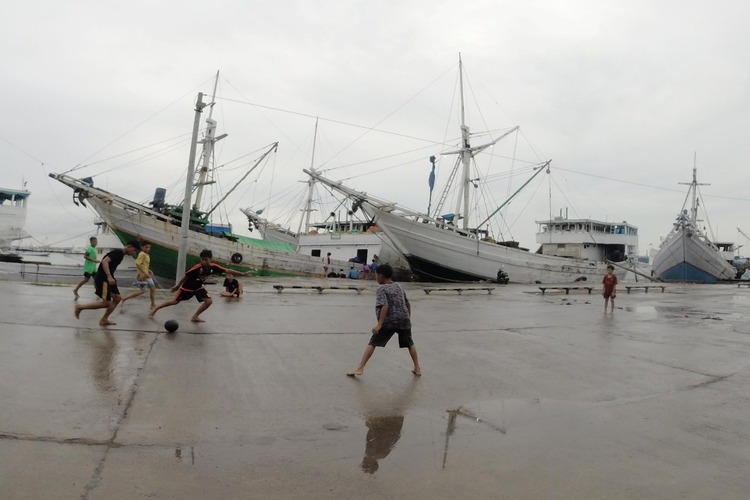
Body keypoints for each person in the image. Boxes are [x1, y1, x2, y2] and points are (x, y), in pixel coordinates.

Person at [347, 264, 421, 377]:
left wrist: (379, 324)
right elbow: (407, 303)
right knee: (410, 343)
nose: (375, 277)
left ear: (381, 276)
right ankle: (417, 367)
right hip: (404, 320)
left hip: (389, 321)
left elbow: (385, 306)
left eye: (376, 275)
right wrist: (408, 319)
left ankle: (360, 368)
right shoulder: (398, 286)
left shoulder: (381, 289)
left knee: (373, 343)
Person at [149, 249, 249, 323]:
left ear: (210, 259)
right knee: (174, 302)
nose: (204, 261)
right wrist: (177, 286)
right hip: (187, 288)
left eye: (206, 259)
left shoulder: (213, 267)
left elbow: (228, 270)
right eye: (202, 259)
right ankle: (156, 308)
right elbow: (186, 276)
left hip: (198, 287)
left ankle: (195, 316)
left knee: (209, 301)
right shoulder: (197, 267)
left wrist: (242, 274)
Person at [74, 240, 141, 325]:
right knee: (106, 303)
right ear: (129, 247)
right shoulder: (118, 252)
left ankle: (104, 319)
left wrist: (138, 239)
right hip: (103, 279)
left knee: (117, 299)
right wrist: (109, 276)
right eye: (134, 250)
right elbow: (104, 261)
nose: (134, 253)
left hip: (109, 279)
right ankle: (80, 307)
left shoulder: (121, 254)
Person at [120, 241, 156, 308]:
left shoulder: (146, 255)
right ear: (142, 247)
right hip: (143, 276)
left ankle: (153, 304)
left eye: (149, 247)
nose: (148, 249)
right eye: (146, 247)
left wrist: (148, 270)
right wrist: (145, 273)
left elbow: (143, 265)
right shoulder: (142, 254)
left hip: (146, 275)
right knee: (142, 291)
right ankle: (124, 298)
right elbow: (138, 264)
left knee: (152, 288)